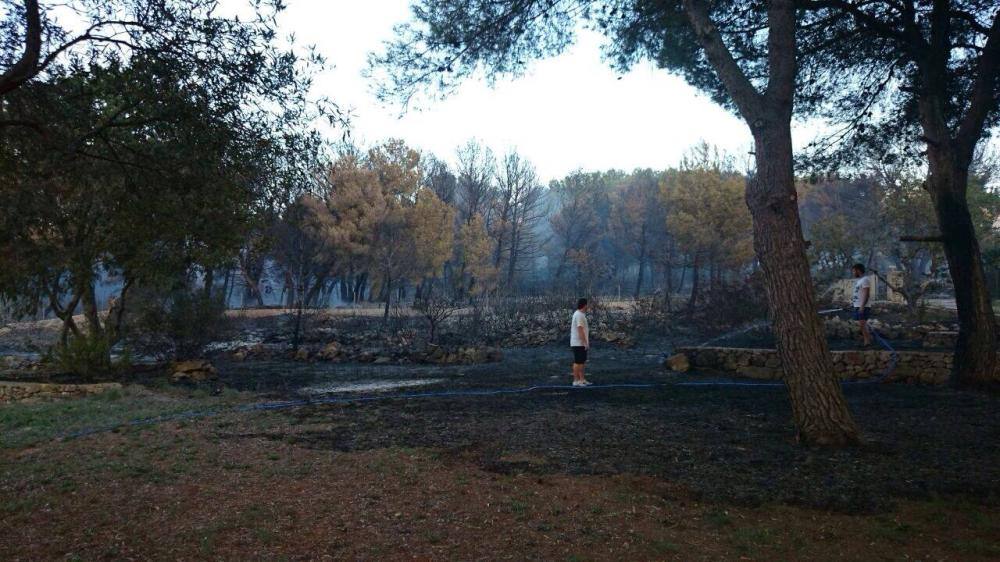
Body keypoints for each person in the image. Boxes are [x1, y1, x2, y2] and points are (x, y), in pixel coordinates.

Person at [570, 298, 591, 387]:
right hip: (578, 343)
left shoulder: (581, 314)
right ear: (584, 305)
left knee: (582, 361)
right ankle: (575, 380)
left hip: (580, 343)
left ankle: (582, 380)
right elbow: (580, 329)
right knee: (578, 362)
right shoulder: (579, 315)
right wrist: (585, 342)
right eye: (587, 304)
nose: (588, 306)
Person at [851, 263, 873, 347]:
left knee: (862, 324)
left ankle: (867, 342)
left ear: (858, 270)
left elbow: (866, 294)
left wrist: (862, 306)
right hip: (857, 306)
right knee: (861, 324)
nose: (853, 273)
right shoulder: (860, 281)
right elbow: (859, 293)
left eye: (854, 271)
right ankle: (866, 339)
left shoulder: (865, 280)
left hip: (862, 306)